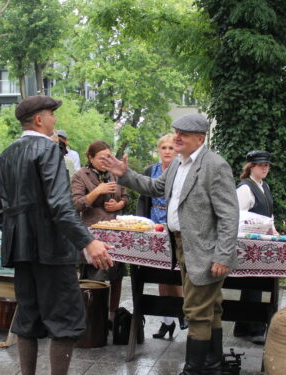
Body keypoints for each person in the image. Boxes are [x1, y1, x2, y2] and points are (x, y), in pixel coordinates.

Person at [102, 114, 239, 375]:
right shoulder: (178, 163)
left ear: (200, 138)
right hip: (182, 245)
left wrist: (223, 255)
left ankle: (193, 370)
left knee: (197, 310)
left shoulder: (215, 165)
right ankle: (212, 366)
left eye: (183, 134)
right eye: (176, 132)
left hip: (204, 250)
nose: (177, 137)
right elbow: (155, 187)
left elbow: (229, 215)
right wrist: (124, 174)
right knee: (212, 308)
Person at [0, 95, 113, 375]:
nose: (55, 120)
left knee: (27, 318)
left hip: (19, 250)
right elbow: (61, 205)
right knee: (65, 320)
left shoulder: (6, 154)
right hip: (52, 250)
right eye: (51, 115)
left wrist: (18, 235)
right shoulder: (49, 150)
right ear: (38, 120)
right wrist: (88, 241)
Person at [135, 133, 187, 339]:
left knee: (175, 277)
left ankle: (181, 312)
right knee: (160, 276)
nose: (166, 151)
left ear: (177, 151)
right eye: (163, 148)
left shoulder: (182, 171)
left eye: (171, 148)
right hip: (154, 229)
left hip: (175, 230)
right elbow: (143, 198)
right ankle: (167, 322)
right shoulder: (151, 170)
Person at [71, 140, 128, 323]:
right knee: (97, 276)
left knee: (117, 275)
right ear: (90, 158)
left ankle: (112, 315)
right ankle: (94, 318)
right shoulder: (81, 176)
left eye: (108, 157)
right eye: (101, 158)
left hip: (117, 232)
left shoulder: (115, 173)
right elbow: (76, 204)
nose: (106, 161)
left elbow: (125, 196)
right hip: (93, 235)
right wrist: (97, 191)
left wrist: (119, 204)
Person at [233, 150, 276, 345]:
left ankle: (242, 326)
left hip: (260, 243)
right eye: (261, 165)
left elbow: (268, 215)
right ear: (251, 167)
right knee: (253, 284)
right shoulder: (244, 189)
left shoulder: (264, 186)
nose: (265, 167)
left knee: (252, 284)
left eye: (266, 165)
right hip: (247, 243)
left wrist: (273, 231)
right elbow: (237, 217)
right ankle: (255, 327)